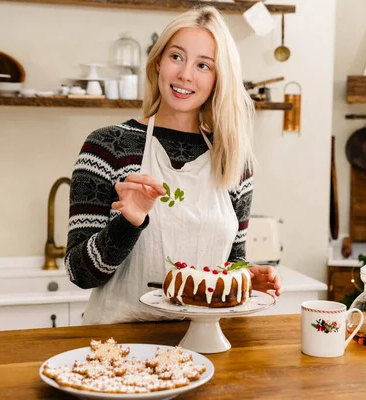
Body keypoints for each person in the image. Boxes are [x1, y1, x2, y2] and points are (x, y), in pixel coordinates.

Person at [65, 6, 282, 325]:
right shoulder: (108, 146)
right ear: (158, 63)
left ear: (218, 78)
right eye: (176, 57)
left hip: (204, 342)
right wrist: (129, 221)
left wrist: (247, 278)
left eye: (203, 65)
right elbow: (79, 274)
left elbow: (229, 264)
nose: (185, 75)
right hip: (120, 346)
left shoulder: (234, 160)